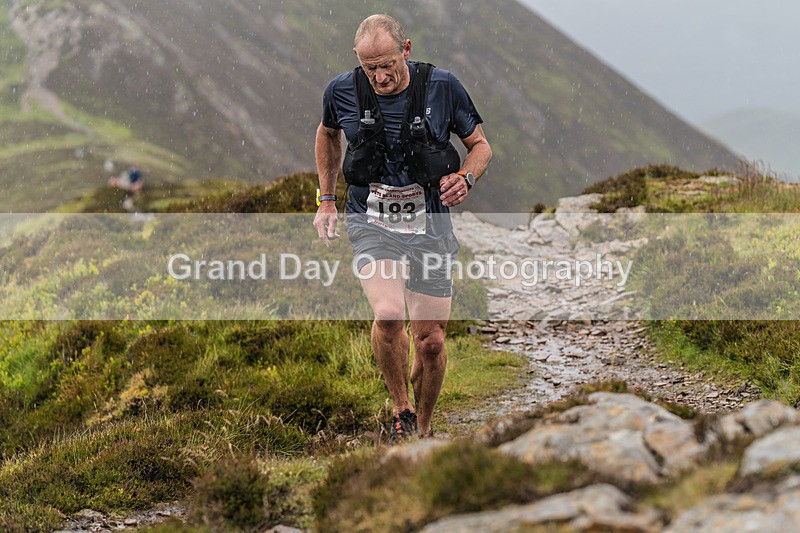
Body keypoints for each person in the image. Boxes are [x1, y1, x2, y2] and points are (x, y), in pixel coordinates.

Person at [313, 14, 491, 443]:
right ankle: (402, 412)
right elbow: (327, 134)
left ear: (406, 50)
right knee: (389, 314)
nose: (380, 76)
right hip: (371, 221)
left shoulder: (442, 86)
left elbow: (480, 146)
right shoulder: (341, 90)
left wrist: (465, 177)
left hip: (430, 225)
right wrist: (327, 198)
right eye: (370, 67)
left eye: (387, 64)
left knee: (430, 342)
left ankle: (423, 429)